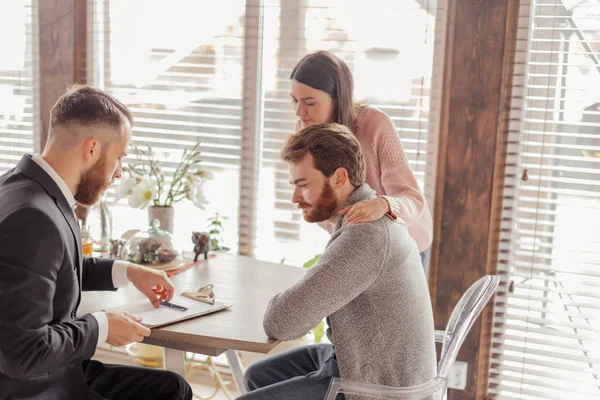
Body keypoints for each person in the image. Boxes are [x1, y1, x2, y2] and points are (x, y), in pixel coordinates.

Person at [0, 85, 192, 400]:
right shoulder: (34, 219)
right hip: (35, 387)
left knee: (173, 387)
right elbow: (22, 354)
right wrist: (101, 326)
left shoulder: (20, 187)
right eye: (119, 157)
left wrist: (127, 271)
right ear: (92, 149)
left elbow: (51, 268)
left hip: (57, 373)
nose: (120, 172)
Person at [240, 124, 436, 400]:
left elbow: (280, 324)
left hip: (380, 384)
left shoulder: (366, 236)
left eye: (303, 185)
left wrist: (288, 297)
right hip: (362, 357)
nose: (295, 198)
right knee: (257, 375)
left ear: (339, 177)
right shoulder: (362, 215)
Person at [290, 50, 433, 273]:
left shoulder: (375, 125)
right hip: (360, 243)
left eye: (309, 102)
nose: (300, 112)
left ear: (338, 99)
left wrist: (383, 204)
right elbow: (318, 196)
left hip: (406, 240)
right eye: (295, 101)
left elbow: (412, 199)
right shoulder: (305, 129)